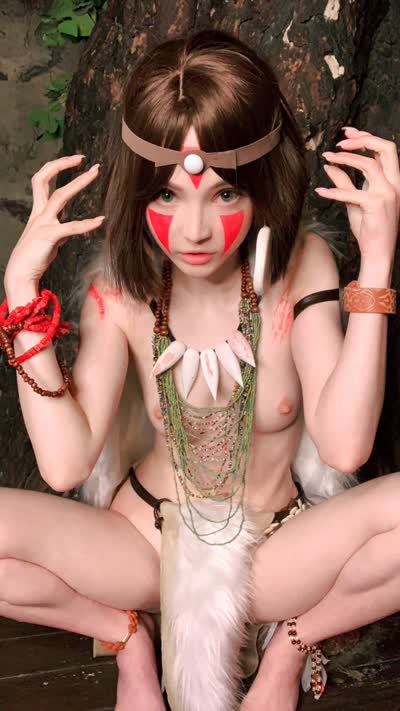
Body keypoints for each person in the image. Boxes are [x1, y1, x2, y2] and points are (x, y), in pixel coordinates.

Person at [1, 27, 399, 711]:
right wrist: (20, 296)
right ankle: (127, 638)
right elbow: (65, 465)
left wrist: (379, 266)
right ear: (139, 194)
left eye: (224, 194)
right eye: (166, 196)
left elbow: (344, 446)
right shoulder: (118, 290)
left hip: (275, 552)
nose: (193, 230)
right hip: (139, 544)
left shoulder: (303, 266)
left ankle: (289, 646)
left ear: (262, 185)